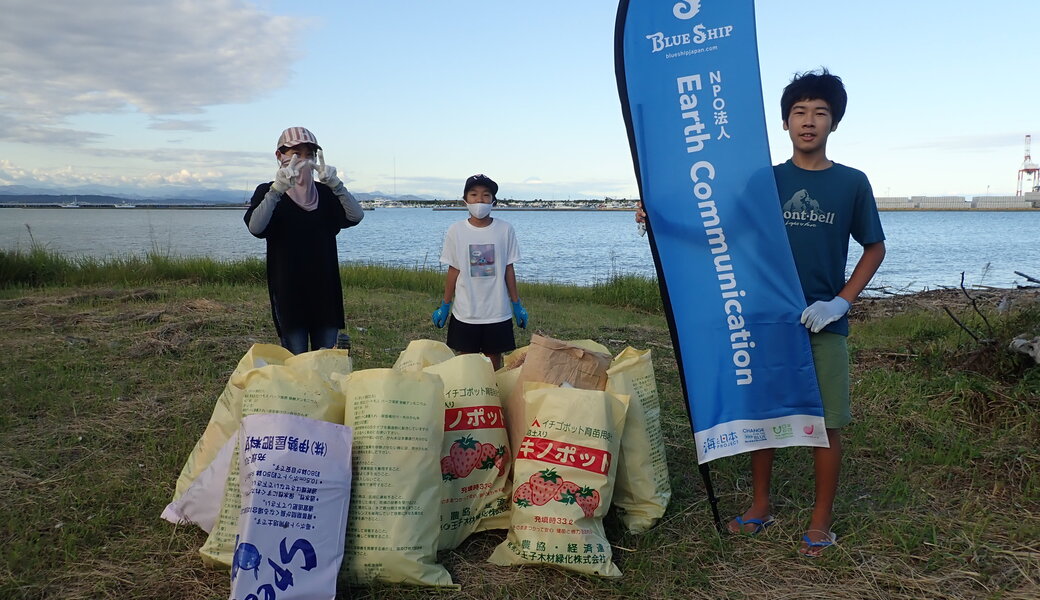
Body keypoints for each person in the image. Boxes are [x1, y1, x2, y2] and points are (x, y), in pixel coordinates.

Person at [728, 69, 886, 556]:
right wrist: (657, 217)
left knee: (826, 422)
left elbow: (874, 248)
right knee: (764, 417)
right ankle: (760, 506)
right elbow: (723, 230)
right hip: (768, 318)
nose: (809, 121)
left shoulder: (851, 183)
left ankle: (820, 521)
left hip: (825, 321)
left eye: (820, 112)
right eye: (799, 112)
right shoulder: (766, 180)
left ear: (833, 122)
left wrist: (841, 300)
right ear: (785, 122)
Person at [245, 126, 365, 354]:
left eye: (309, 153)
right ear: (279, 156)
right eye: (295, 152)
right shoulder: (268, 192)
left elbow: (356, 216)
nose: (303, 159)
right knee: (296, 364)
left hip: (326, 294)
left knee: (327, 363)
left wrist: (336, 185)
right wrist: (277, 189)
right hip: (289, 295)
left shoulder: (326, 193)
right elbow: (255, 227)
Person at [432, 174, 528, 370]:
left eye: (486, 195)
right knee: (467, 364)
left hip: (497, 311)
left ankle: (492, 397)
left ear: (493, 200)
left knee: (493, 363)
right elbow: (453, 269)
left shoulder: (505, 229)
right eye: (474, 194)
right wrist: (445, 304)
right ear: (465, 199)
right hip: (465, 311)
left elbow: (509, 269)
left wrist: (516, 304)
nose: (479, 200)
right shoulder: (456, 230)